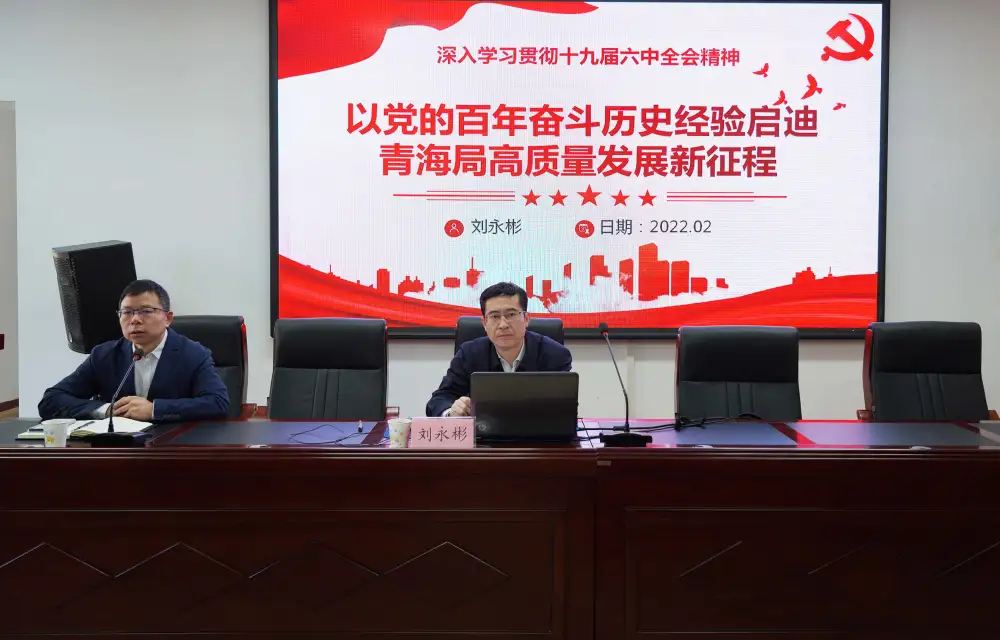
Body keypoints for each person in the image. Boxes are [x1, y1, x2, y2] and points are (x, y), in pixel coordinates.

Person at [38, 279, 229, 422]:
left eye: (146, 311)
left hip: (172, 447)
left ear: (168, 318)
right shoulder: (104, 355)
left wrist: (154, 409)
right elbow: (51, 400)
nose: (135, 320)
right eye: (127, 312)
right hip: (119, 450)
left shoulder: (193, 354)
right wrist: (107, 410)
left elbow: (218, 403)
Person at [426, 281, 572, 417]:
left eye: (511, 314)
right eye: (494, 316)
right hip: (483, 434)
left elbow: (564, 409)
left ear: (526, 319)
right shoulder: (469, 354)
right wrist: (451, 412)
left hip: (538, 435)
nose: (503, 324)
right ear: (484, 323)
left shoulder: (555, 355)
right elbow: (439, 400)